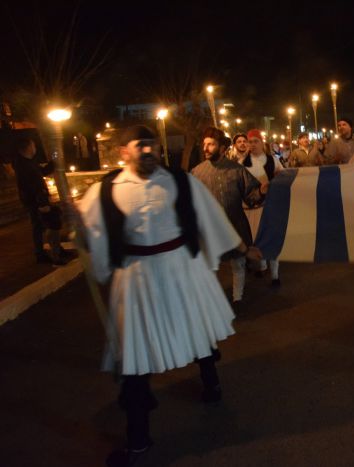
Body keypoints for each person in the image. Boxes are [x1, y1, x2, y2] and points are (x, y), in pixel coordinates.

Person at [75, 125, 261, 466]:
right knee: (134, 356)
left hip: (181, 269)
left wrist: (240, 249)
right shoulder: (105, 190)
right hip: (135, 279)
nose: (147, 151)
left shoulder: (181, 182)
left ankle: (211, 382)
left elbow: (210, 217)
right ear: (123, 152)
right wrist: (79, 224)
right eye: (139, 146)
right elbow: (91, 228)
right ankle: (138, 439)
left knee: (199, 331)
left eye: (152, 145)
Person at [191, 127, 267, 304]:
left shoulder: (237, 170)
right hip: (208, 229)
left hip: (235, 224)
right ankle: (213, 302)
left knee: (238, 264)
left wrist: (261, 191)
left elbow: (251, 196)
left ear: (222, 147)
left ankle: (237, 299)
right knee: (210, 266)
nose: (206, 148)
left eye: (211, 144)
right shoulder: (197, 172)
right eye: (205, 144)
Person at [12, 137, 71, 265]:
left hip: (41, 200)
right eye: (33, 145)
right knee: (40, 227)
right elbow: (31, 187)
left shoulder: (30, 162)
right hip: (36, 202)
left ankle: (57, 250)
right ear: (28, 147)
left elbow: (42, 172)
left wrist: (53, 163)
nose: (35, 148)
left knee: (48, 225)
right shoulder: (22, 166)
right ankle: (41, 254)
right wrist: (42, 203)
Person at [242, 129, 284, 286]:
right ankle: (262, 265)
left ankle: (275, 275)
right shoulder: (243, 163)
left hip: (270, 205)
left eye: (255, 141)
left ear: (262, 143)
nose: (252, 144)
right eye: (250, 141)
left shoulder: (272, 160)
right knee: (257, 239)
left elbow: (283, 175)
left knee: (272, 239)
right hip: (253, 207)